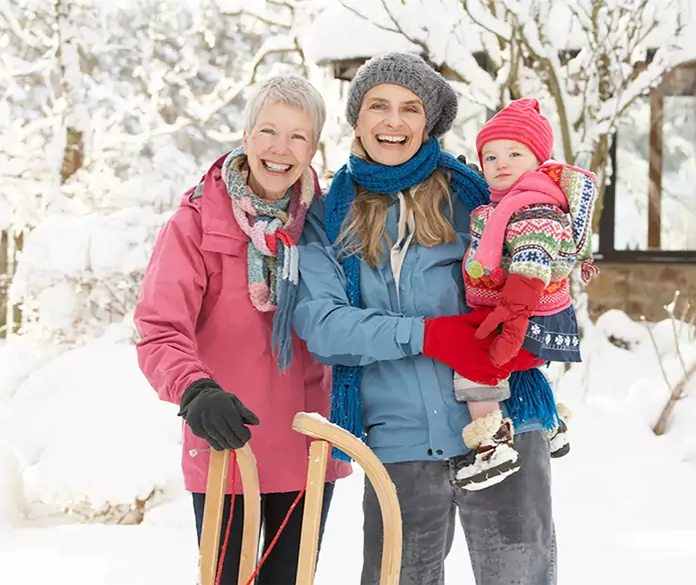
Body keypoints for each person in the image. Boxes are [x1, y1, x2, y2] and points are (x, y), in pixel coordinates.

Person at [292, 52, 557, 585]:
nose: (393, 121)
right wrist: (427, 335)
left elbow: (541, 262)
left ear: (429, 121)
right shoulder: (328, 211)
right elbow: (322, 324)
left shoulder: (476, 195)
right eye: (378, 106)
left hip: (500, 427)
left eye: (410, 108)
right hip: (399, 444)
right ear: (357, 117)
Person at [134, 75, 351, 585]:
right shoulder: (195, 223)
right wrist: (195, 389)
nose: (281, 149)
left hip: (308, 445)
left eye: (298, 136)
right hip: (227, 441)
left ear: (314, 146)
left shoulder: (329, 223)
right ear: (246, 135)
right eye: (269, 132)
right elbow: (159, 329)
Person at [453, 97, 599, 490]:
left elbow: (531, 263)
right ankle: (550, 424)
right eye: (491, 156)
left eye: (515, 153)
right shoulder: (510, 203)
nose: (501, 163)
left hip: (524, 311)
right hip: (533, 312)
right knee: (520, 371)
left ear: (538, 161)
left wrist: (514, 319)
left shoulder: (534, 207)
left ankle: (491, 445)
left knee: (475, 364)